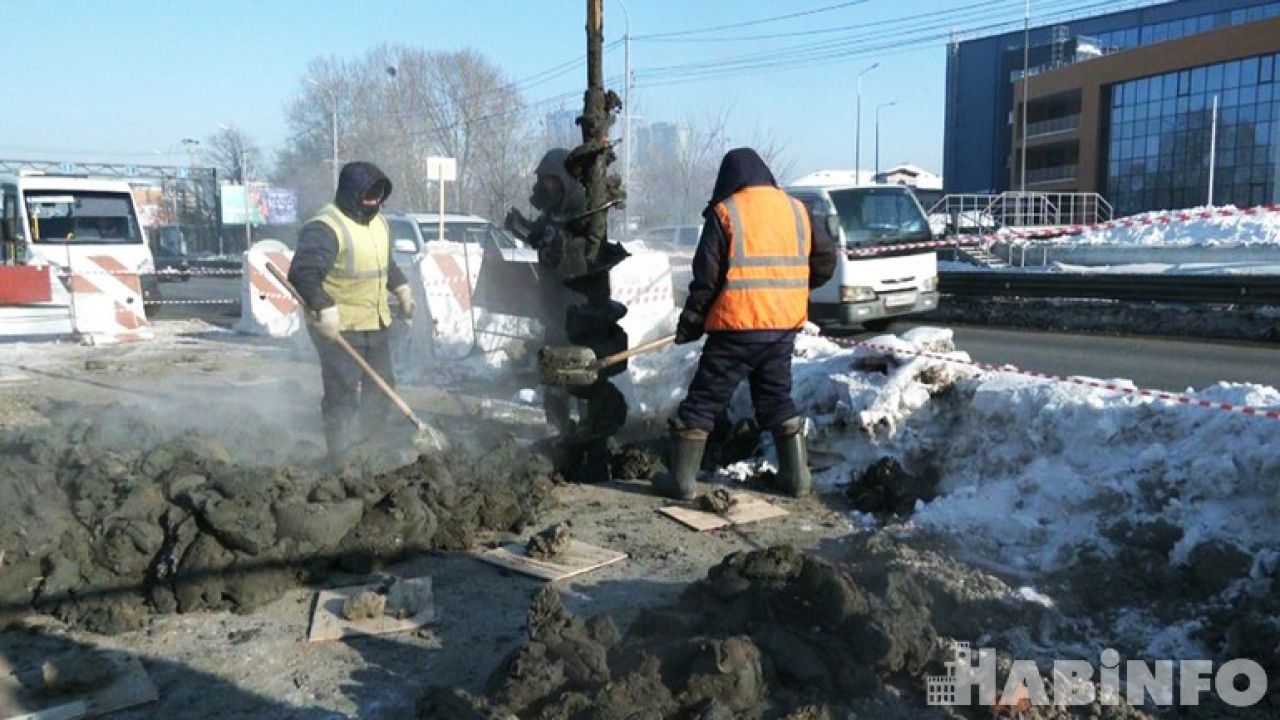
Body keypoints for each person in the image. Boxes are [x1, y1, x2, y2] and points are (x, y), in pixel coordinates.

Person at [655, 147, 837, 500]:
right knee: (776, 399)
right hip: (782, 328)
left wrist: (691, 322)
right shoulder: (798, 210)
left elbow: (706, 279)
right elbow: (826, 259)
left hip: (735, 328)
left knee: (703, 402)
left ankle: (681, 482)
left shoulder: (727, 212)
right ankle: (797, 480)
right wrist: (792, 290)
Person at [288, 161, 415, 463]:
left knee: (382, 389)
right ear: (351, 192)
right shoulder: (326, 226)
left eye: (379, 195)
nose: (374, 201)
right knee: (343, 393)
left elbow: (385, 265)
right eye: (369, 194)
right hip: (338, 327)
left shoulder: (379, 223)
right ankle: (341, 458)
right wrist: (323, 306)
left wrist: (402, 289)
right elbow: (302, 273)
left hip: (375, 321)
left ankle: (369, 448)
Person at [504, 148, 587, 435]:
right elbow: (541, 237)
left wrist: (541, 239)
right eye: (545, 181)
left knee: (580, 368)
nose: (548, 186)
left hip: (577, 303)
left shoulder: (581, 208)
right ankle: (558, 427)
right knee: (553, 370)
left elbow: (563, 253)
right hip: (553, 302)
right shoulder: (553, 210)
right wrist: (521, 228)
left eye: (553, 180)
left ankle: (588, 427)